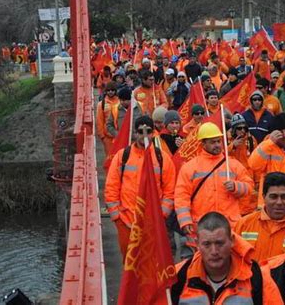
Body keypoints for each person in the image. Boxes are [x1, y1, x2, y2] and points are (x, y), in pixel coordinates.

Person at [171, 212, 283, 304]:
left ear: (232, 241)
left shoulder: (258, 277)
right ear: (197, 244)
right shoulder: (176, 276)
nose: (214, 251)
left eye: (219, 243)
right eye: (207, 244)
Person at [104, 116, 176, 257]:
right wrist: (117, 217)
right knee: (130, 266)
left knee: (152, 263)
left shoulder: (162, 158)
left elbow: (170, 191)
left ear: (153, 133)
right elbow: (111, 187)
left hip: (153, 223)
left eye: (148, 131)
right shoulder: (122, 156)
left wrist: (161, 215)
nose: (144, 135)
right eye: (140, 131)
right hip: (126, 222)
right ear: (135, 133)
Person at [174, 122, 254, 239]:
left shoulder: (232, 164)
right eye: (213, 142)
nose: (217, 145)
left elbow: (249, 186)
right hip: (203, 227)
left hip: (229, 226)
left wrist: (236, 187)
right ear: (203, 143)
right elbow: (182, 196)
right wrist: (185, 221)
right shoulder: (190, 167)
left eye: (218, 141)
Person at [234, 172, 285, 262]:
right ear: (264, 197)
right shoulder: (244, 224)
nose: (279, 202)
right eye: (273, 197)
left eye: (284, 197)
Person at [228, 113, 259, 215]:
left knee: (249, 211)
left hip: (249, 179)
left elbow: (257, 161)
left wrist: (258, 181)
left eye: (244, 128)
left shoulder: (251, 140)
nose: (242, 131)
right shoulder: (227, 140)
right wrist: (233, 146)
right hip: (234, 179)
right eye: (239, 128)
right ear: (233, 129)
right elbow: (221, 155)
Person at [96, 81, 119, 156]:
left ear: (115, 91)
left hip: (120, 135)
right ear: (105, 91)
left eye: (112, 90)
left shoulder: (120, 102)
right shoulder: (101, 104)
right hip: (108, 138)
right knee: (110, 158)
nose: (110, 92)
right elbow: (99, 121)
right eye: (108, 90)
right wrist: (102, 137)